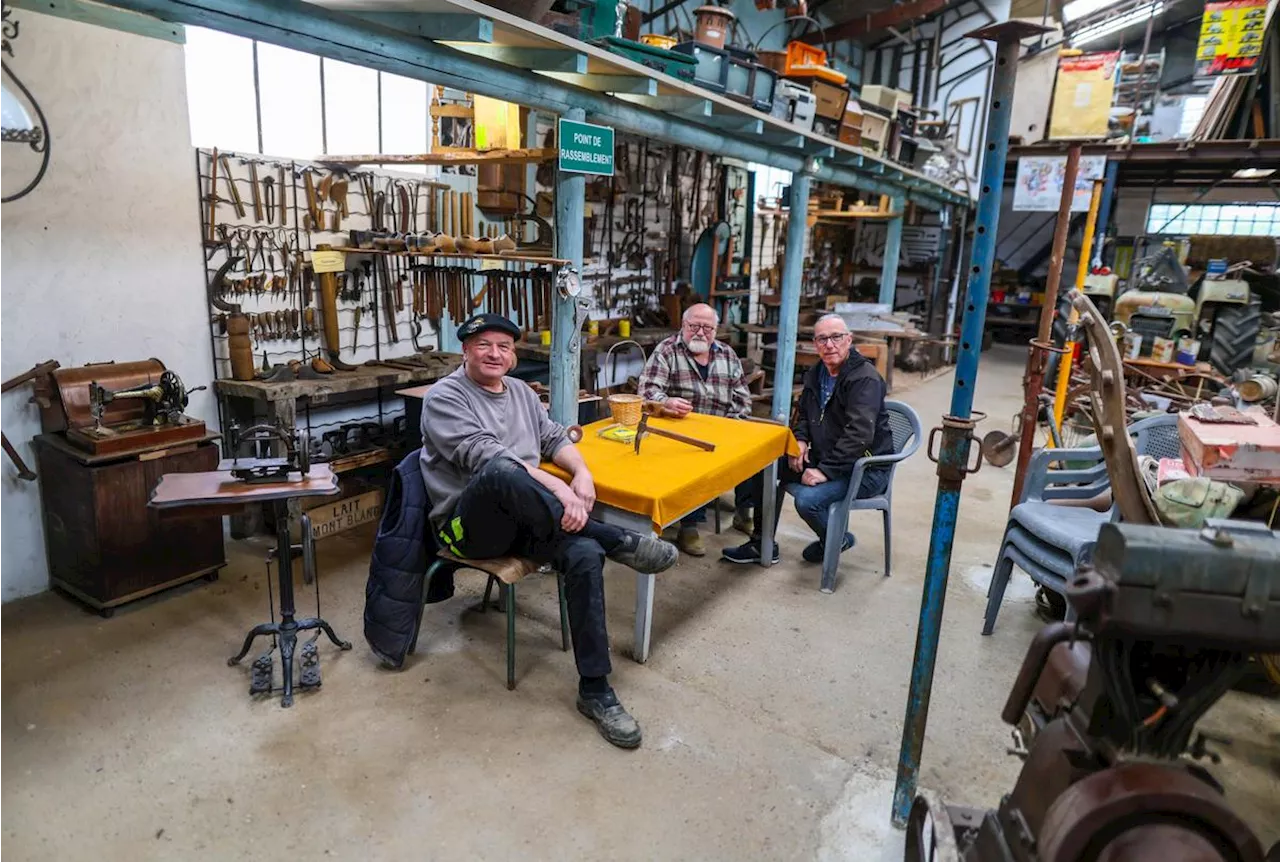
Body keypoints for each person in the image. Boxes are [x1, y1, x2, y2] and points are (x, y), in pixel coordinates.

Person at [420, 313, 678, 748]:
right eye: (483, 344)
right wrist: (558, 486)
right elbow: (485, 456)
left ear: (513, 355)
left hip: (529, 519)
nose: (494, 353)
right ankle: (616, 539)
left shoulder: (520, 392)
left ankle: (595, 690)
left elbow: (555, 438)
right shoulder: (445, 396)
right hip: (468, 527)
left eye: (503, 346)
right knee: (501, 470)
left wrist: (582, 475)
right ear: (465, 350)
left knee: (583, 554)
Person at [722, 313, 893, 565]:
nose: (829, 345)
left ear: (849, 339)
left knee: (808, 501)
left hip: (865, 468)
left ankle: (837, 539)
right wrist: (800, 440)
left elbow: (860, 434)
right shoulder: (817, 373)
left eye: (836, 337)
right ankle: (761, 543)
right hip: (829, 455)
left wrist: (825, 471)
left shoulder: (864, 378)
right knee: (763, 462)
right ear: (815, 344)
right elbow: (803, 412)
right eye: (822, 339)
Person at [637, 303, 753, 556]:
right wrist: (665, 402)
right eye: (694, 326)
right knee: (690, 461)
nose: (700, 332)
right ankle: (689, 526)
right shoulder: (667, 351)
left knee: (755, 453)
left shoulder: (727, 354)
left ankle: (744, 513)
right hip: (683, 432)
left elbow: (742, 398)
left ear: (715, 330)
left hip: (723, 427)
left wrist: (733, 425)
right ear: (683, 326)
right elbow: (647, 390)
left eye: (707, 327)